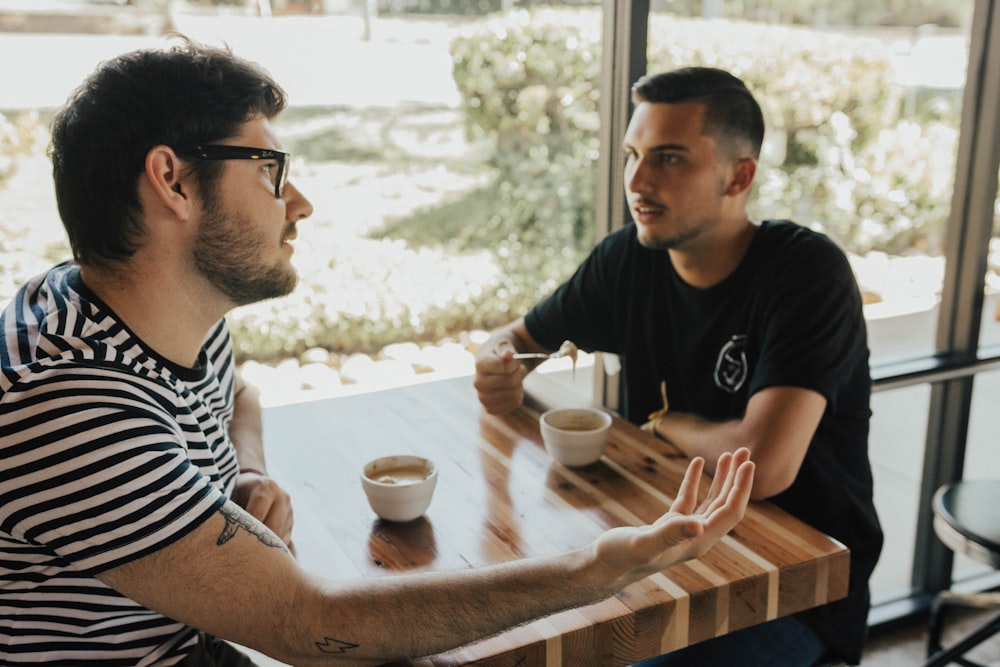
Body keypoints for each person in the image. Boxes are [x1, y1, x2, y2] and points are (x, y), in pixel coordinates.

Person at [0, 40, 756, 666]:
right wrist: (598, 568)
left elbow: (237, 395)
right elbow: (307, 621)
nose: (297, 203)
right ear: (172, 182)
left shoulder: (116, 305)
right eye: (269, 169)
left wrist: (249, 468)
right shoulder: (67, 403)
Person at [474, 66, 883, 667]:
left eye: (668, 158)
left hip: (789, 593)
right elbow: (515, 338)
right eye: (632, 155)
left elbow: (762, 467)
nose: (637, 180)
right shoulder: (627, 262)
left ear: (738, 176)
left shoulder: (806, 273)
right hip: (663, 555)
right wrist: (496, 363)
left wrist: (664, 422)